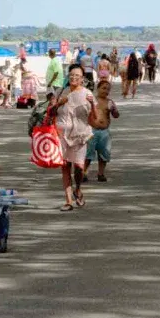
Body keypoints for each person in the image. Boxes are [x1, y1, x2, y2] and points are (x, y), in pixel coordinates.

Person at [54, 64, 95, 211]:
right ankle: (68, 200)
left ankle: (77, 188)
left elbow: (94, 118)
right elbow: (50, 111)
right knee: (65, 167)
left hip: (80, 135)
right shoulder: (60, 92)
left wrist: (92, 105)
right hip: (61, 135)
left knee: (78, 167)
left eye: (77, 75)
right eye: (71, 74)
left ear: (82, 78)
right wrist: (58, 103)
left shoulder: (87, 94)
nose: (73, 77)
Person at [85, 79, 120, 182]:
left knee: (104, 153)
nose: (105, 91)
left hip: (104, 131)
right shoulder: (92, 100)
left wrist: (113, 109)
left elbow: (116, 115)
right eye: (103, 88)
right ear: (98, 88)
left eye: (108, 89)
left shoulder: (110, 102)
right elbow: (85, 114)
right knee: (88, 153)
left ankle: (101, 173)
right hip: (92, 131)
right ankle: (83, 172)